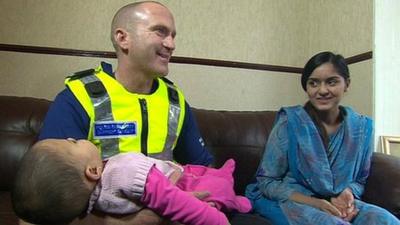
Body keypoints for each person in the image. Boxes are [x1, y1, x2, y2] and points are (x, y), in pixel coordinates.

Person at [37, 1, 214, 224]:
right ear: (123, 38)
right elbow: (45, 199)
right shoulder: (78, 97)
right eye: (160, 31)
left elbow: (203, 169)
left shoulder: (175, 101)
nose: (171, 44)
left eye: (173, 35)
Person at [245, 51, 400, 225]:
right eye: (314, 83)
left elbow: (359, 180)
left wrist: (346, 195)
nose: (322, 90)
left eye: (331, 82)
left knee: (386, 220)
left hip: (336, 201)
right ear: (306, 87)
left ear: (346, 84)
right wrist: (317, 203)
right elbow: (267, 181)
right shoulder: (290, 122)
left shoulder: (361, 128)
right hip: (294, 199)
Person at [12, 138, 252, 225]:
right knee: (216, 189)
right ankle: (235, 198)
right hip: (181, 186)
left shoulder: (88, 199)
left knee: (211, 178)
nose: (170, 44)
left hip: (178, 173)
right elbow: (174, 201)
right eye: (73, 143)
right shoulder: (124, 172)